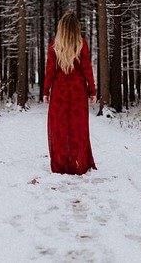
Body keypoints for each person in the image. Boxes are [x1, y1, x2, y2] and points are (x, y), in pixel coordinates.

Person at [42, 11, 97, 175]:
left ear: (62, 28)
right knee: (78, 129)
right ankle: (78, 165)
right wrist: (92, 90)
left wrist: (46, 91)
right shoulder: (82, 45)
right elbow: (87, 70)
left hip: (59, 93)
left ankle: (60, 166)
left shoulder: (54, 47)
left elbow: (50, 72)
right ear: (76, 29)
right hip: (78, 93)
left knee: (58, 129)